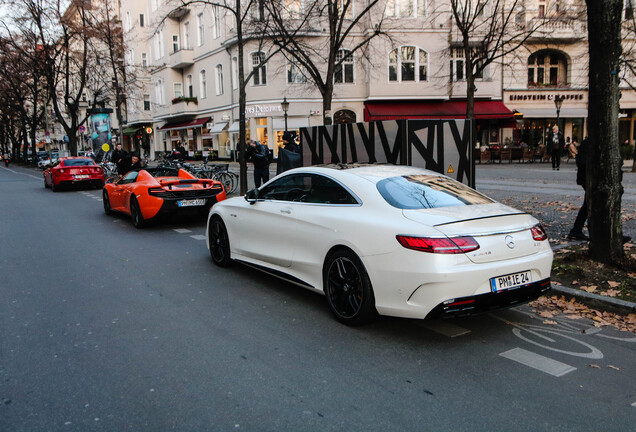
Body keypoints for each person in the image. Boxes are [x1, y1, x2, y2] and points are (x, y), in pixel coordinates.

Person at [568, 138, 589, 240]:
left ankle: (576, 230)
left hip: (588, 178)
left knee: (588, 205)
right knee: (589, 204)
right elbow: (581, 162)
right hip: (589, 178)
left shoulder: (589, 142)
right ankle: (576, 230)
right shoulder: (589, 143)